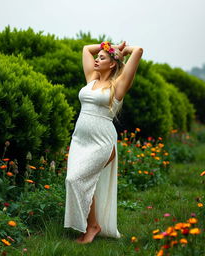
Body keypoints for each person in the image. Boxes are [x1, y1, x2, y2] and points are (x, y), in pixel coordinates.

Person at [64, 40, 143, 244]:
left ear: (113, 64)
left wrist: (122, 51)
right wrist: (107, 46)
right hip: (79, 140)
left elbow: (139, 51)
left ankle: (92, 227)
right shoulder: (92, 78)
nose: (97, 59)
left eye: (102, 58)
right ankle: (93, 225)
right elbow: (85, 49)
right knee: (79, 180)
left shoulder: (118, 85)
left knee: (76, 179)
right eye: (97, 57)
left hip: (102, 142)